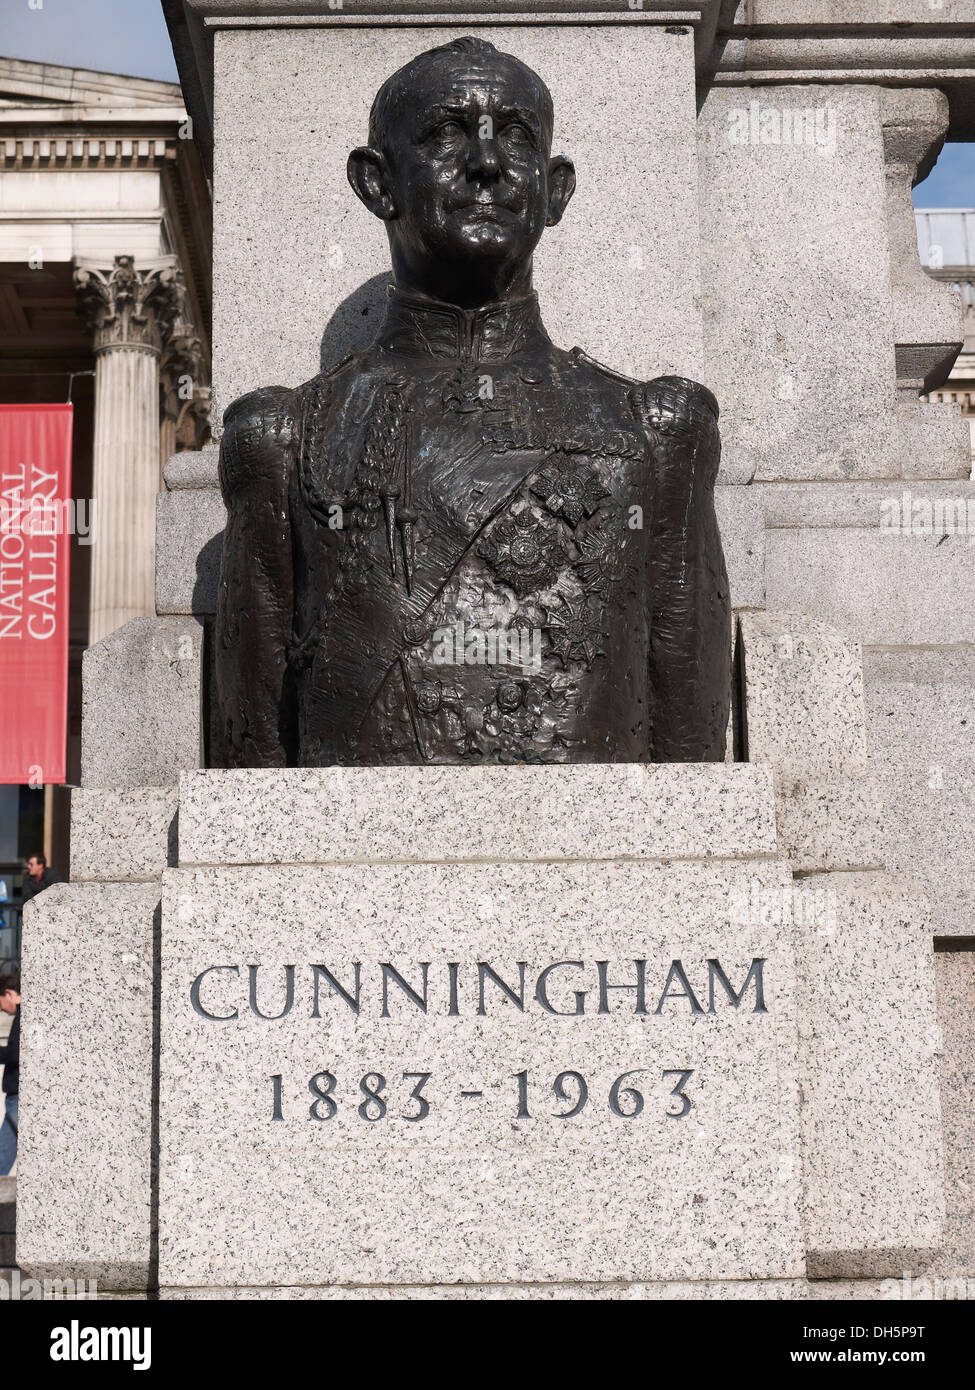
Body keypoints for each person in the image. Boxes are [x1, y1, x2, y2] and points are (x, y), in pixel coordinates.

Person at [215, 35, 730, 769]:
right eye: (445, 133)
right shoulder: (281, 437)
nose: (486, 163)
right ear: (376, 184)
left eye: (513, 136)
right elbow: (250, 770)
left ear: (554, 190)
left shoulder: (658, 431)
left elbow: (692, 759)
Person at [0, 974, 20, 1176]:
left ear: (9, 993)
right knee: (3, 1152)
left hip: (18, 1097)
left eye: (1, 1003)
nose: (2, 1009)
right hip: (14, 1097)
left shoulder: (24, 1016)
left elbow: (16, 1053)